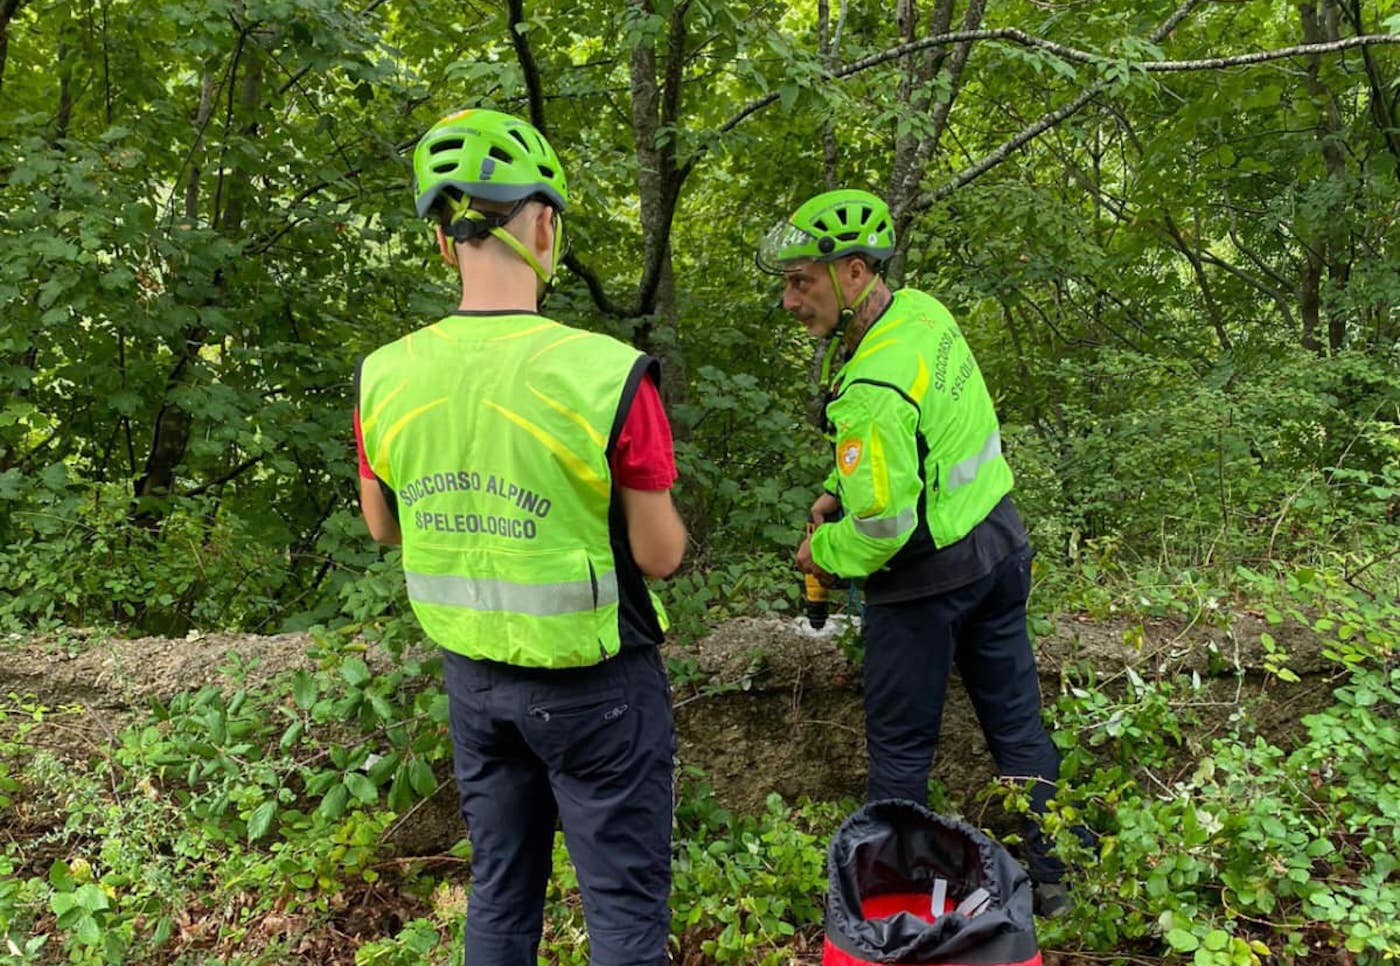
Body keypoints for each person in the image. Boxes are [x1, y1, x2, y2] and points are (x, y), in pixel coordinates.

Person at [355, 108, 687, 965]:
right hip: (596, 688)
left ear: (443, 241)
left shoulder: (385, 375)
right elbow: (659, 556)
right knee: (621, 913)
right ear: (545, 224)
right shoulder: (605, 374)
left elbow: (382, 524)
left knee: (500, 895)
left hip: (474, 686)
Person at [757, 188, 1071, 917]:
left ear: (855, 272)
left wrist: (821, 552)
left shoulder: (868, 387)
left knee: (900, 749)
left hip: (927, 581)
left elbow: (883, 529)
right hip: (998, 543)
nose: (789, 300)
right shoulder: (923, 313)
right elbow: (923, 441)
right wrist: (841, 484)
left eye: (801, 280)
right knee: (1018, 726)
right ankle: (1057, 877)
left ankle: (894, 907)